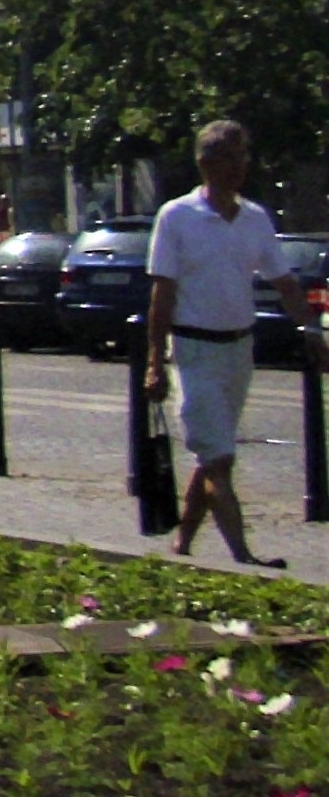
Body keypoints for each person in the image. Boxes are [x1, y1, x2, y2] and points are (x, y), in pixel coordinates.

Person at [146, 118, 313, 568]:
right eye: (230, 158)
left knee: (214, 454)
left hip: (239, 349)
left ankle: (182, 543)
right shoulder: (177, 216)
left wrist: (314, 331)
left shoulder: (255, 218)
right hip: (194, 349)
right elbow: (162, 292)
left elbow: (284, 282)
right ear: (206, 164)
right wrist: (155, 361)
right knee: (217, 457)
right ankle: (243, 556)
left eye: (243, 157)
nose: (240, 167)